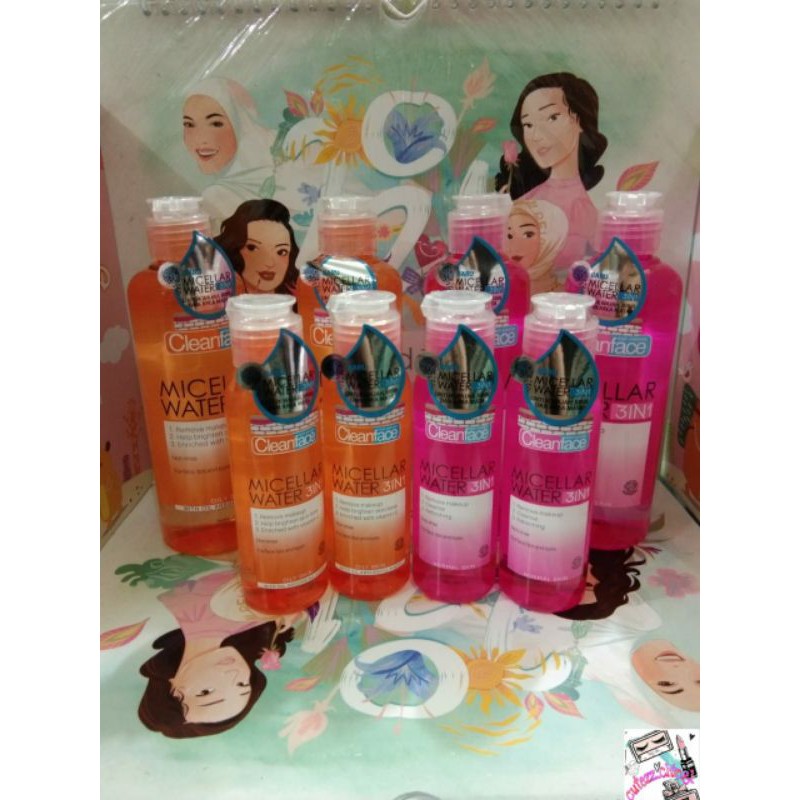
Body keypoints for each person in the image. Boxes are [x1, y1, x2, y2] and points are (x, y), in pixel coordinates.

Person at [138, 570, 294, 738]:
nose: (234, 673)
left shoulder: (188, 605)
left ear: (174, 687)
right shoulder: (266, 629)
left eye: (207, 691)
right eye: (242, 684)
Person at [496, 72, 608, 270]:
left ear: (579, 120)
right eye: (528, 124)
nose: (536, 135)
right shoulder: (522, 203)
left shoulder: (590, 213)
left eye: (552, 117)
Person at [182, 78, 277, 227]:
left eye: (216, 123)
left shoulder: (216, 197)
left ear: (241, 125)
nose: (200, 139)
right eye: (189, 124)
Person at [215, 199, 300, 295]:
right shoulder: (218, 296)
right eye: (252, 248)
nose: (269, 263)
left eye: (281, 252)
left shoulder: (301, 295)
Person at [505, 198, 568, 295]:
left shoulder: (568, 297)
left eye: (528, 235)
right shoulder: (498, 292)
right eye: (509, 236)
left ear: (551, 240)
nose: (514, 246)